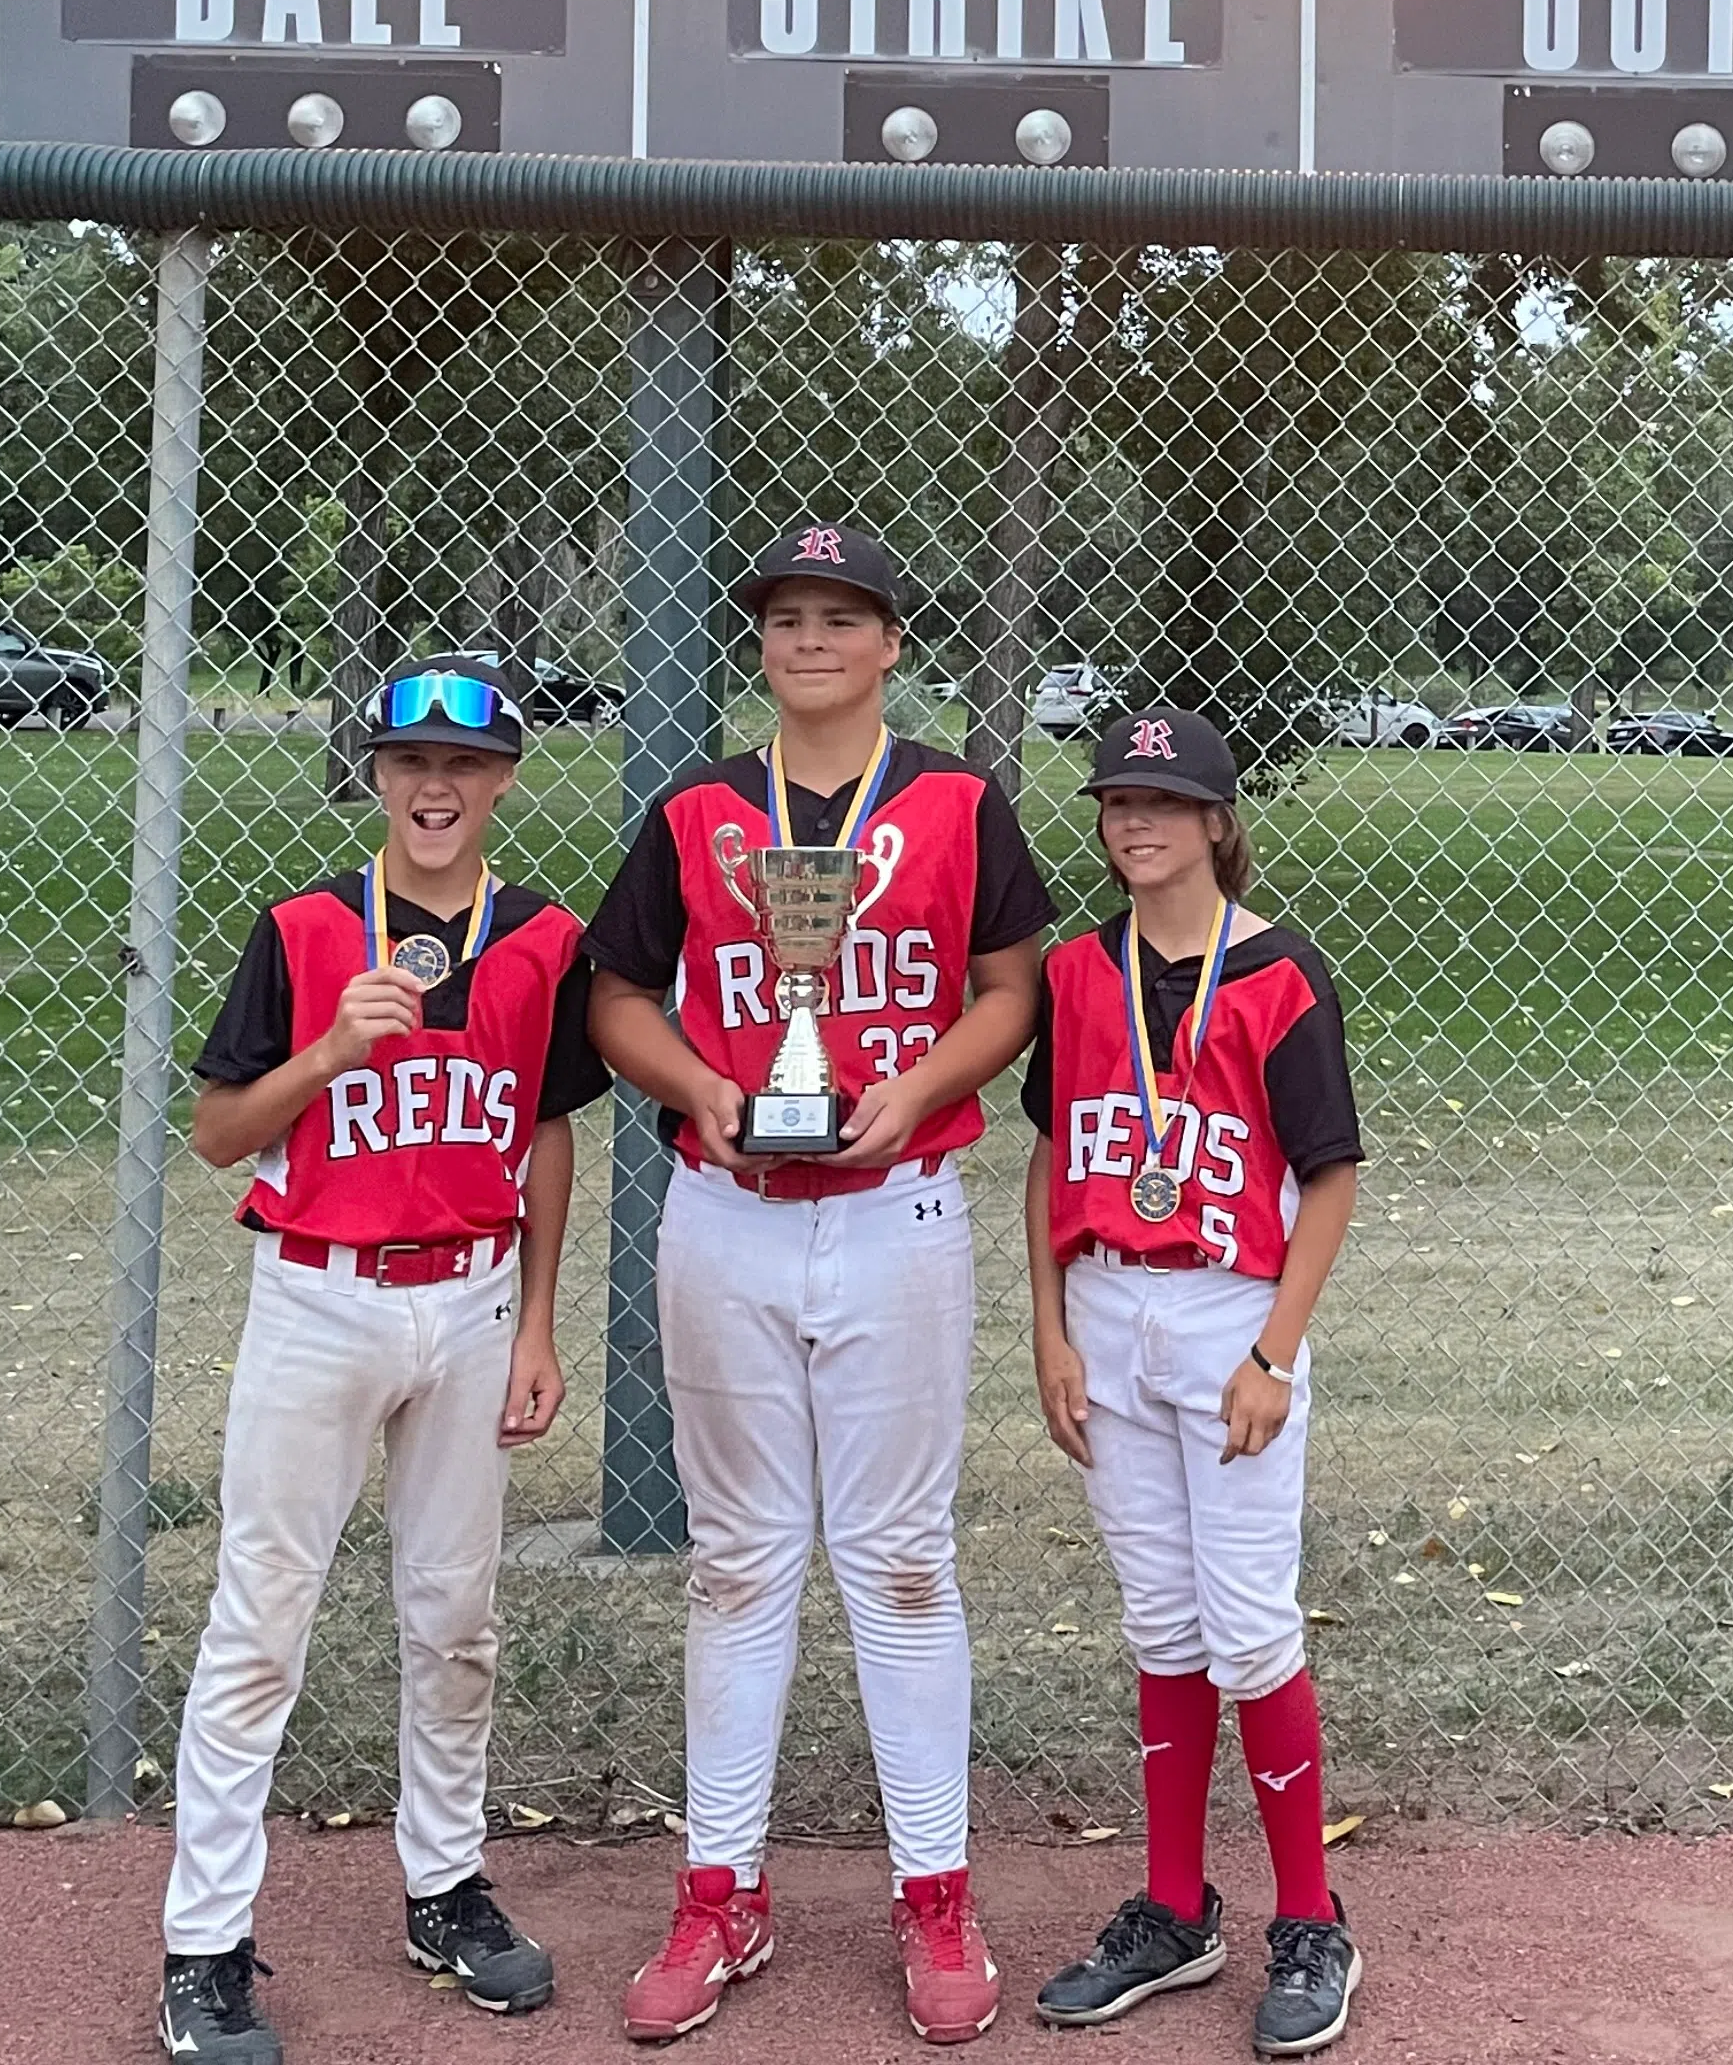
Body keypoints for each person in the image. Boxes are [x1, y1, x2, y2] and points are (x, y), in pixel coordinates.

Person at [584, 519, 1057, 2047]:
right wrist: (701, 1089)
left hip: (896, 1210)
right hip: (726, 1210)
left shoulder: (959, 804)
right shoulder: (700, 809)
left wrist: (917, 1087)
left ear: (890, 644)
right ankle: (723, 1889)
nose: (810, 639)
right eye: (787, 616)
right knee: (737, 1559)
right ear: (763, 643)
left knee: (902, 1560)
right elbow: (616, 996)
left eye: (841, 617)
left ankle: (936, 1890)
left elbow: (1014, 990)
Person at [154, 654, 607, 2065]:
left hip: (471, 1305)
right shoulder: (302, 933)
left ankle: (444, 1884)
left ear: (502, 782)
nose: (434, 786)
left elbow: (543, 1129)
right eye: (410, 761)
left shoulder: (541, 938)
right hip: (321, 1299)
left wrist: (536, 1321)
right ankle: (204, 1946)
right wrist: (326, 1053)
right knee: (260, 1626)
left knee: (456, 1618)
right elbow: (220, 1134)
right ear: (377, 774)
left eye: (463, 766)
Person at [1023, 710, 1366, 2057]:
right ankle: (1175, 1909)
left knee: (1249, 1624)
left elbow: (1331, 1174)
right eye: (1116, 799)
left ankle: (1309, 1917)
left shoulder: (1280, 974)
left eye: (1164, 801)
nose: (1134, 822)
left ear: (1218, 820)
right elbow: (1052, 1157)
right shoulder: (1072, 973)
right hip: (1106, 1302)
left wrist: (1275, 1353)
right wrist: (1048, 1329)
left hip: (1231, 1310)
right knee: (1161, 1620)